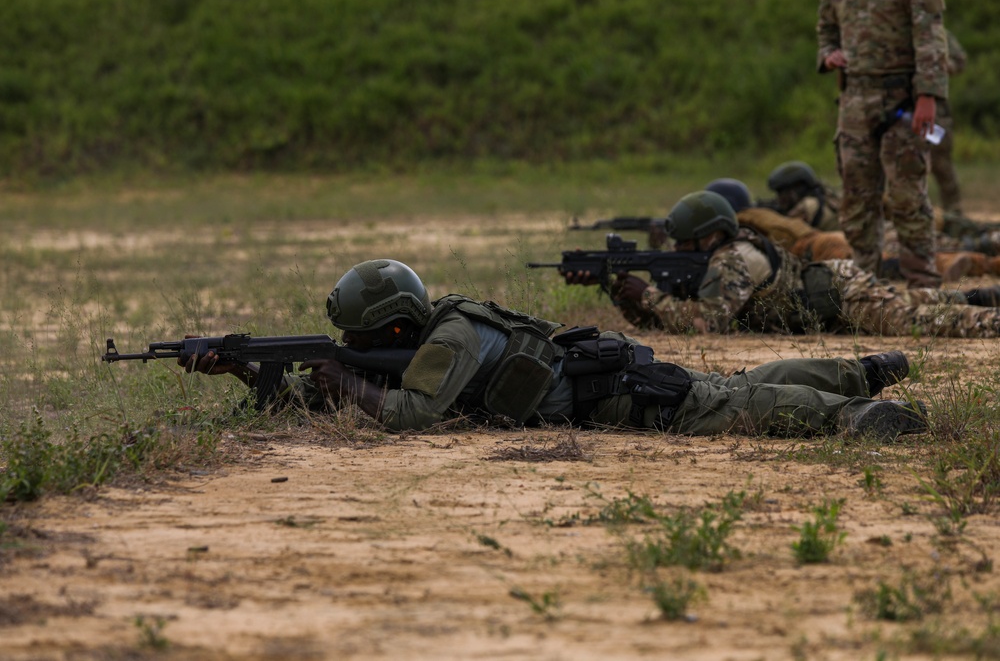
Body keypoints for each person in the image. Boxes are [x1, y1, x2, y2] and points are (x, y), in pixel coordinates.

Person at [179, 259, 927, 441]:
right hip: (604, 370)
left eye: (359, 341)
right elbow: (318, 393)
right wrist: (249, 370)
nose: (348, 349)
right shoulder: (434, 328)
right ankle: (857, 366)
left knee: (728, 401)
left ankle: (857, 412)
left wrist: (345, 379)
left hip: (617, 393)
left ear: (393, 329)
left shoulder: (450, 337)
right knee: (727, 380)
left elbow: (410, 414)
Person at [602, 191, 1000, 338]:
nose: (679, 248)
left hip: (842, 298)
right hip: (836, 289)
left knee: (920, 322)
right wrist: (623, 294)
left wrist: (650, 296)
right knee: (916, 301)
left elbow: (709, 322)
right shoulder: (725, 253)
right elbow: (671, 320)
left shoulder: (735, 260)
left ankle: (988, 316)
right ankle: (981, 297)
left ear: (709, 235)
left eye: (685, 241)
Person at [817, 0, 950, 288]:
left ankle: (923, 284)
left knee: (907, 195)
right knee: (856, 196)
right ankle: (864, 284)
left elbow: (930, 37)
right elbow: (826, 27)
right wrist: (828, 55)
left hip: (901, 97)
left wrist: (928, 96)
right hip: (854, 100)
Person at [717, 177, 1000, 282]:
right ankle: (984, 256)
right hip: (828, 240)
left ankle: (965, 260)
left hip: (820, 246)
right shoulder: (763, 214)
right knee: (917, 248)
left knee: (886, 264)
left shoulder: (743, 219)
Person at [931, 29, 967, 221]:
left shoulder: (939, 34)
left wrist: (945, 65)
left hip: (936, 112)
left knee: (941, 163)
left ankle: (954, 215)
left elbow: (960, 61)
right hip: (900, 110)